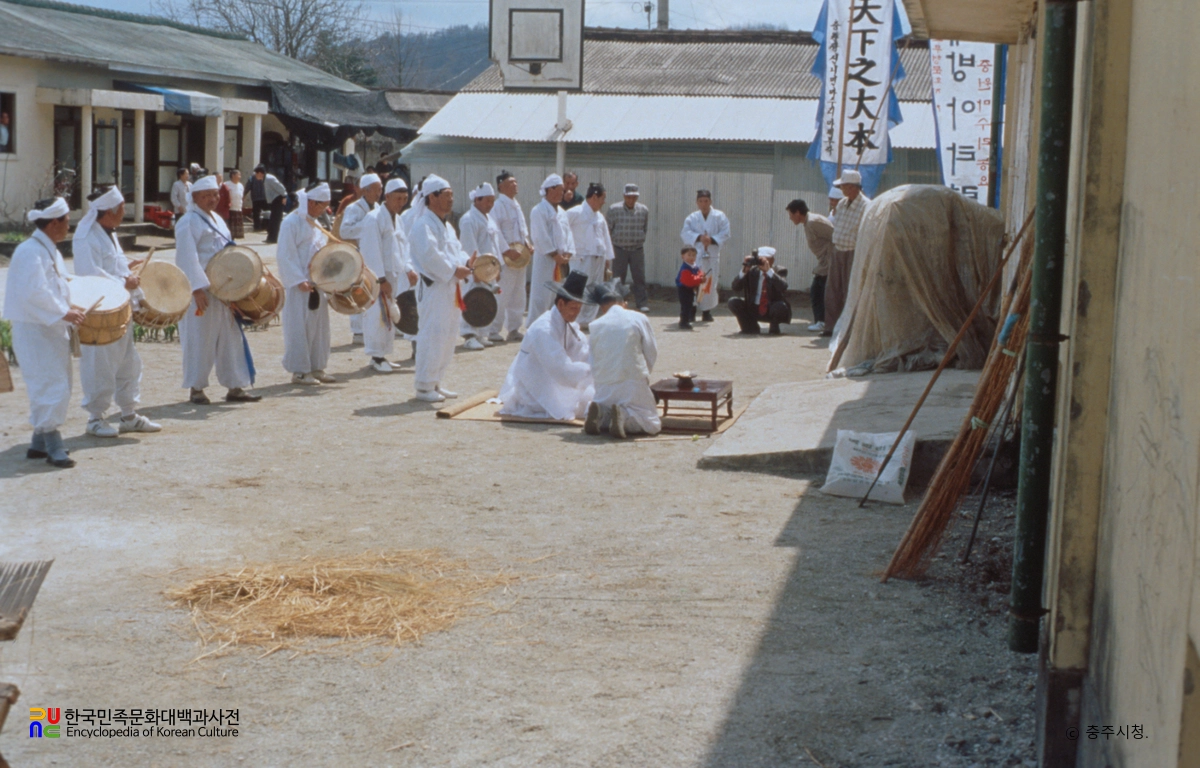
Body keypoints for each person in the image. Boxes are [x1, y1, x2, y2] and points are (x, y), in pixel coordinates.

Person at [73, 187, 161, 437]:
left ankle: (129, 415)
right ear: (110, 211)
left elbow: (113, 263)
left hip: (120, 308)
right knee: (99, 365)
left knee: (128, 363)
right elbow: (89, 273)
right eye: (122, 208)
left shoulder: (108, 233)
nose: (125, 213)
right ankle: (95, 418)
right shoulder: (86, 237)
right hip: (99, 311)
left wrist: (129, 269)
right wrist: (123, 282)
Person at [2, 198, 83, 468]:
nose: (69, 225)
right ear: (53, 223)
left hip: (50, 327)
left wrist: (68, 306)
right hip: (34, 329)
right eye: (67, 220)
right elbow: (34, 292)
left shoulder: (49, 250)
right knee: (49, 384)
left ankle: (39, 443)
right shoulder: (29, 251)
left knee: (57, 380)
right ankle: (52, 442)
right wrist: (63, 312)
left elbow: (55, 287)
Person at [174, 175, 262, 404]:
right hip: (203, 291)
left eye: (215, 194)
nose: (213, 199)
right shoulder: (188, 221)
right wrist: (197, 288)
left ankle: (235, 386)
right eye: (207, 195)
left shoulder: (218, 220)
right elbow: (186, 257)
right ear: (195, 198)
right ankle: (196, 388)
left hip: (225, 291)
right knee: (200, 339)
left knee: (230, 338)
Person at [408, 174, 474, 403]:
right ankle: (424, 386)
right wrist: (454, 270)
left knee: (447, 334)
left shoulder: (446, 226)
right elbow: (430, 256)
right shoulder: (423, 225)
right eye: (447, 195)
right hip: (434, 287)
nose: (451, 200)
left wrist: (467, 263)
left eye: (452, 195)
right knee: (432, 334)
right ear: (432, 197)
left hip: (450, 287)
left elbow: (457, 250)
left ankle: (436, 380)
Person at [498, 271, 594, 421]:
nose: (577, 313)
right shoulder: (543, 329)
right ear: (561, 304)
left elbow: (583, 352)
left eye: (579, 309)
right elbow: (560, 369)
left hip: (556, 381)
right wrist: (591, 370)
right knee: (572, 405)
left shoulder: (570, 326)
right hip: (534, 387)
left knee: (593, 392)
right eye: (574, 308)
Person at [584, 279, 661, 439]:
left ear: (602, 307)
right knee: (652, 424)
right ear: (623, 303)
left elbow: (592, 359)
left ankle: (603, 413)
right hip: (631, 379)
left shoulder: (595, 324)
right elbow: (651, 350)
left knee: (606, 402)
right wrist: (644, 374)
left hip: (603, 384)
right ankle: (624, 417)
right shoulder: (637, 317)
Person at [276, 182, 336, 385]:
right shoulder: (291, 222)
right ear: (311, 202)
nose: (323, 210)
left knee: (319, 328)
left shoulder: (316, 223)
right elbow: (285, 255)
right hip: (300, 285)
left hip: (317, 283)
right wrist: (298, 279)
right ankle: (300, 371)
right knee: (299, 327)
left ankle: (317, 366)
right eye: (322, 205)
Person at [358, 177, 412, 372]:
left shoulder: (399, 219)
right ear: (387, 196)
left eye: (404, 199)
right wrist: (380, 279)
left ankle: (383, 354)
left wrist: (407, 268)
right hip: (378, 275)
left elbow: (404, 246)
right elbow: (371, 250)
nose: (401, 203)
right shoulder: (374, 218)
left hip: (394, 273)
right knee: (376, 314)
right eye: (397, 198)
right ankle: (375, 355)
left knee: (389, 314)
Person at [457, 182, 505, 350]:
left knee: (485, 301)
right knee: (472, 299)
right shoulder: (468, 220)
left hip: (489, 269)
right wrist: (474, 270)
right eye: (487, 201)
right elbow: (469, 246)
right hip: (476, 270)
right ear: (477, 199)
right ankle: (468, 335)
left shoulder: (489, 219)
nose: (490, 205)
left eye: (492, 201)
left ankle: (480, 334)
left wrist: (497, 268)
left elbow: (495, 245)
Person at [336, 172, 382, 343]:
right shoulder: (354, 208)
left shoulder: (379, 208)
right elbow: (345, 231)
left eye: (381, 189)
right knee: (358, 290)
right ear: (366, 191)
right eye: (376, 189)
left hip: (375, 253)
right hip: (359, 253)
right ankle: (358, 331)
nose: (379, 193)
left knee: (373, 289)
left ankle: (373, 327)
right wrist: (367, 225)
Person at [527, 173, 574, 327]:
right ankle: (535, 327)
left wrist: (567, 253)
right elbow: (540, 236)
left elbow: (568, 234)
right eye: (559, 189)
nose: (562, 193)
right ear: (549, 190)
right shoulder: (538, 210)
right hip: (546, 259)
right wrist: (554, 254)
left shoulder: (561, 211)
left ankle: (553, 327)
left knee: (557, 294)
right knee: (541, 295)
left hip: (561, 261)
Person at [826, 169, 871, 331]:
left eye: (844, 186)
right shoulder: (842, 204)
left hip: (854, 252)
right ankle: (830, 326)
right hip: (838, 250)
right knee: (832, 291)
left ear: (853, 187)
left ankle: (849, 328)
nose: (842, 190)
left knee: (850, 291)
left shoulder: (866, 206)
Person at [567, 182, 615, 329]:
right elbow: (562, 229)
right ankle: (576, 319)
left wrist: (607, 257)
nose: (604, 202)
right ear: (594, 197)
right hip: (581, 257)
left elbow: (605, 236)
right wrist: (567, 249)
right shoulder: (575, 212)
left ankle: (588, 320)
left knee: (596, 289)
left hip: (598, 257)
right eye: (602, 198)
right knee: (580, 289)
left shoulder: (599, 216)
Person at [680, 189, 731, 322]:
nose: (703, 204)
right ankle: (692, 310)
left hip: (712, 254)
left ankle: (706, 311)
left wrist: (712, 239)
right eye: (701, 201)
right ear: (697, 202)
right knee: (694, 282)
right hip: (695, 256)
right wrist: (699, 237)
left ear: (710, 201)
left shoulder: (719, 216)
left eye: (706, 201)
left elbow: (725, 233)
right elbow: (685, 233)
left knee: (710, 282)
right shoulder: (692, 217)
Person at [490, 170, 530, 341]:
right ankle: (493, 330)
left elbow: (522, 228)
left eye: (515, 182)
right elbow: (495, 230)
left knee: (518, 294)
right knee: (502, 293)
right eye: (511, 182)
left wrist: (528, 243)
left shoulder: (516, 204)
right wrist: (506, 250)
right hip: (506, 257)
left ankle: (514, 328)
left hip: (520, 256)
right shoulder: (498, 206)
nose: (515, 185)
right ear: (501, 186)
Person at [787, 199, 835, 334]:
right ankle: (822, 322)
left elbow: (835, 236)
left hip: (830, 263)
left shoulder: (814, 222)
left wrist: (833, 260)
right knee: (817, 291)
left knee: (820, 292)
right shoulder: (808, 223)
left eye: (790, 215)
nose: (790, 218)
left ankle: (824, 323)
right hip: (824, 263)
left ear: (797, 213)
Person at [607, 183, 650, 312]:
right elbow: (608, 229)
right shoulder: (614, 209)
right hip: (619, 248)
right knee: (618, 278)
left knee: (639, 277)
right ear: (624, 196)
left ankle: (642, 303)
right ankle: (617, 303)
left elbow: (645, 228)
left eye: (634, 197)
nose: (631, 200)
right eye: (628, 197)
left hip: (637, 249)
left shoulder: (643, 210)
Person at [728, 247, 791, 335]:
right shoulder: (752, 271)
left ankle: (774, 328)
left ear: (772, 260)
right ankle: (749, 327)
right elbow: (735, 287)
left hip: (771, 308)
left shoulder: (779, 270)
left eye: (766, 260)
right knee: (733, 301)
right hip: (753, 307)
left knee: (780, 306)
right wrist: (744, 271)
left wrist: (769, 271)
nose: (762, 263)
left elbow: (783, 287)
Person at [253, 164, 287, 244]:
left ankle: (274, 238)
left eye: (256, 173)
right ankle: (271, 237)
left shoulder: (269, 178)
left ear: (260, 173)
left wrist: (284, 196)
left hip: (278, 199)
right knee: (272, 219)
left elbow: (280, 187)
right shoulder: (265, 179)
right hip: (274, 200)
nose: (255, 176)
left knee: (276, 220)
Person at [676, 246, 703, 330]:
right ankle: (683, 322)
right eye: (689, 255)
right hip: (684, 289)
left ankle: (689, 318)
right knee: (685, 305)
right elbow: (688, 280)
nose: (692, 257)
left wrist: (701, 276)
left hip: (691, 289)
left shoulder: (694, 266)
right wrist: (699, 279)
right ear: (683, 257)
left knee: (691, 303)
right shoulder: (685, 268)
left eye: (694, 255)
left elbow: (699, 273)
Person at [224, 170, 246, 239]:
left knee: (236, 230)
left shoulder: (241, 185)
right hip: (230, 209)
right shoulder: (226, 184)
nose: (240, 177)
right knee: (230, 228)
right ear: (233, 176)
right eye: (238, 175)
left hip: (238, 209)